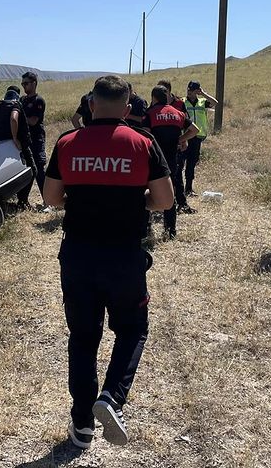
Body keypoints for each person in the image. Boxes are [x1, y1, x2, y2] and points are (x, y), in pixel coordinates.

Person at [42, 75, 174, 450]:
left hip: (78, 256)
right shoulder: (143, 143)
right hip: (124, 257)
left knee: (83, 338)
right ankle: (112, 397)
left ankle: (81, 424)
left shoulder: (67, 143)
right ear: (129, 108)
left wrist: (82, 200)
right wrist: (138, 203)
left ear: (92, 105)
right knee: (132, 330)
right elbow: (165, 200)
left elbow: (52, 198)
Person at [146, 86, 200, 238]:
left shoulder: (150, 113)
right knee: (171, 193)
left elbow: (145, 134)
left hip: (153, 159)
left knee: (148, 192)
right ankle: (170, 230)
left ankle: (147, 229)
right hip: (171, 159)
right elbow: (195, 130)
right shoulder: (178, 113)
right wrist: (180, 139)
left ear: (154, 98)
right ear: (167, 97)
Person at [180, 81, 217, 196]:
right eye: (189, 90)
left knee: (191, 163)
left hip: (197, 136)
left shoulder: (202, 102)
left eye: (193, 90)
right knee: (180, 163)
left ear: (197, 91)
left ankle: (189, 188)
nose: (190, 92)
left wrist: (204, 94)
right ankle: (179, 189)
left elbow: (214, 102)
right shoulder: (182, 102)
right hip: (185, 136)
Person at [19, 72, 47, 198]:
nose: (24, 86)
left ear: (34, 83)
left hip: (36, 138)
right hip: (24, 139)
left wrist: (18, 117)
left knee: (39, 169)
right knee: (26, 169)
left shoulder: (38, 100)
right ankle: (23, 200)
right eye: (22, 84)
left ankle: (47, 201)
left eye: (26, 83)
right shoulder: (22, 100)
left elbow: (33, 121)